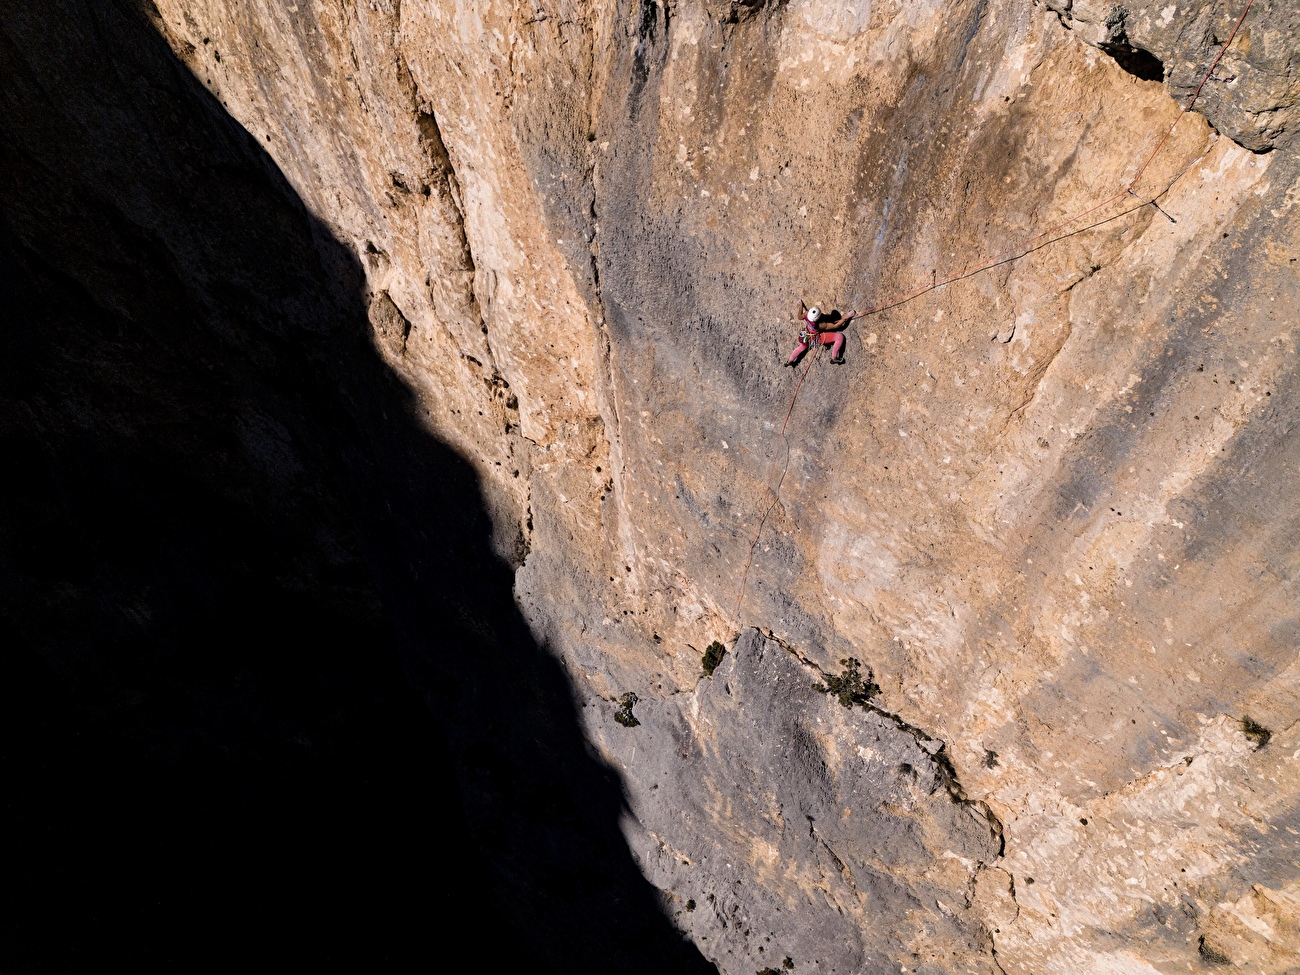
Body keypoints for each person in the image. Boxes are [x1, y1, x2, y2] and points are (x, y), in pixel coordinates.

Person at [785, 300, 856, 366]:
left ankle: (789, 361)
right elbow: (835, 326)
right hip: (816, 338)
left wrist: (801, 305)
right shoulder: (821, 325)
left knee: (801, 347)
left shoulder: (806, 314)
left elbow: (799, 317)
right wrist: (846, 317)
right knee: (840, 337)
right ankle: (834, 357)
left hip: (807, 335)